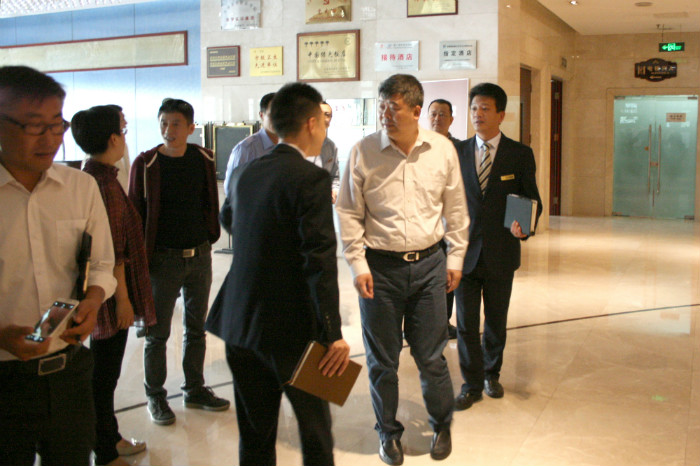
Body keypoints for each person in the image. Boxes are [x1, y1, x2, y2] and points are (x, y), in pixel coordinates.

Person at [206, 82, 351, 466]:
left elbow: (229, 219)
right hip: (292, 328)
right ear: (311, 123)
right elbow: (319, 261)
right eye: (322, 120)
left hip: (241, 321)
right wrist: (332, 333)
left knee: (255, 434)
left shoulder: (246, 172)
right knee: (315, 434)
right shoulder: (311, 179)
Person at [336, 74, 469, 465]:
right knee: (383, 360)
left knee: (432, 357)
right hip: (380, 270)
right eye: (381, 106)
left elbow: (456, 208)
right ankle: (387, 432)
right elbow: (348, 212)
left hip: (430, 266)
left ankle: (441, 425)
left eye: (393, 107)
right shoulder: (363, 151)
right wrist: (357, 263)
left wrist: (455, 258)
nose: (385, 114)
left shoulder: (441, 150)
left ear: (416, 110)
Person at [0, 65, 117, 466]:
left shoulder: (80, 187)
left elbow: (101, 263)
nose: (50, 138)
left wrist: (94, 300)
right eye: (34, 126)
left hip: (69, 371)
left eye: (57, 124)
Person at [129, 98, 229, 426]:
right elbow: (135, 214)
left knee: (196, 329)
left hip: (199, 256)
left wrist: (209, 239)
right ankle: (155, 396)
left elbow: (209, 201)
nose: (168, 130)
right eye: (163, 123)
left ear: (190, 128)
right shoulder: (146, 164)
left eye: (175, 124)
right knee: (157, 333)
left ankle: (194, 389)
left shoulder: (203, 158)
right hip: (163, 260)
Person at [72, 105, 156, 466]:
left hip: (108, 291)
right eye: (122, 129)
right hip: (107, 295)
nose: (125, 136)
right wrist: (123, 299)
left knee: (105, 373)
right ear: (111, 138)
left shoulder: (100, 176)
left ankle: (110, 436)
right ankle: (105, 450)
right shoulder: (101, 184)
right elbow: (112, 251)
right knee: (104, 375)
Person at [453, 82, 542, 411]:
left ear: (501, 114)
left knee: (495, 321)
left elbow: (531, 198)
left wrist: (525, 228)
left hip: (501, 252)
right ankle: (471, 383)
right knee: (465, 324)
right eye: (474, 108)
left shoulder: (519, 154)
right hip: (463, 254)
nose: (477, 114)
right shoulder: (458, 152)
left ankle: (492, 374)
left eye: (485, 108)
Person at [427, 98, 462, 339]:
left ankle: (444, 322)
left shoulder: (460, 149)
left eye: (442, 114)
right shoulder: (419, 146)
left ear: (451, 119)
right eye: (433, 114)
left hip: (449, 224)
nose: (437, 119)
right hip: (426, 223)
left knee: (448, 276)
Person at [223, 92, 278, 196]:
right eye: (273, 114)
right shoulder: (246, 149)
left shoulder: (290, 146)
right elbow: (231, 189)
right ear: (262, 115)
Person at [307, 101, 340, 203]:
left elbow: (335, 176)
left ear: (330, 120)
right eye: (319, 113)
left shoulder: (331, 147)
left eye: (327, 115)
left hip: (323, 202)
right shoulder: (300, 142)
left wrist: (334, 191)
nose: (323, 117)